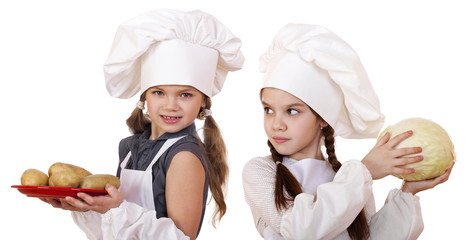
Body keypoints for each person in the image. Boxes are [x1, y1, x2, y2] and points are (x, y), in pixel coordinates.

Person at [41, 9, 244, 240]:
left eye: (185, 95)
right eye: (159, 92)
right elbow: (117, 232)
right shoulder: (130, 149)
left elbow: (181, 237)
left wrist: (117, 210)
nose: (171, 105)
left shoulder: (184, 157)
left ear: (203, 102)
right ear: (144, 97)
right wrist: (87, 208)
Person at [242, 24, 452, 240]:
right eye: (268, 109)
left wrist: (408, 191)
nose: (276, 124)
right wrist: (366, 171)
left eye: (292, 111)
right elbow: (300, 231)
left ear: (323, 118)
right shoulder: (261, 172)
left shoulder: (347, 178)